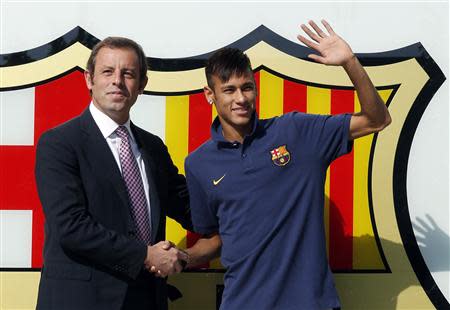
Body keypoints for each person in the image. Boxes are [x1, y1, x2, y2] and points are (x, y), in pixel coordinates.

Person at [184, 20, 391, 310]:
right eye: (229, 90)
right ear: (210, 95)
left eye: (247, 87)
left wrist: (350, 63)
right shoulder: (197, 163)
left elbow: (377, 119)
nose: (241, 98)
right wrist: (185, 258)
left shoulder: (295, 132)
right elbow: (216, 238)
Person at [35, 36, 219, 310]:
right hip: (81, 301)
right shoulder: (60, 144)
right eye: (107, 71)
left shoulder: (153, 147)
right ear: (89, 79)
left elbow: (191, 208)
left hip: (145, 300)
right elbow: (71, 227)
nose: (117, 81)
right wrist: (145, 255)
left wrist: (244, 215)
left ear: (142, 84)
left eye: (128, 74)